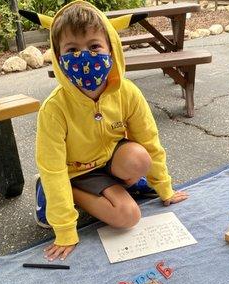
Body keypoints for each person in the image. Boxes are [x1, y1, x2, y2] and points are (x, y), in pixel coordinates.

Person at [29, 0, 189, 262]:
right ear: (59, 58)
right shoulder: (54, 108)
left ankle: (113, 187)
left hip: (109, 161)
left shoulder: (127, 92)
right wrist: (65, 228)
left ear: (111, 49)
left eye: (94, 46)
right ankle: (57, 192)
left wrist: (164, 188)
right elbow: (52, 167)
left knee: (139, 157)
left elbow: (149, 140)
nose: (85, 56)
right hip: (77, 171)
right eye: (72, 49)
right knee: (128, 216)